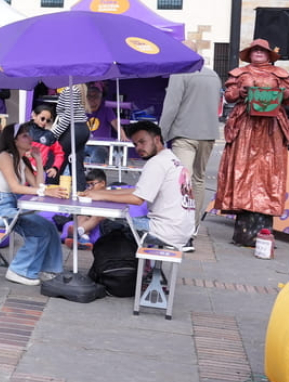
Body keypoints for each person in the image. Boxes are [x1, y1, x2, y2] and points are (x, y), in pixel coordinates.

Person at [218, 38, 289, 246]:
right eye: (255, 50)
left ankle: (263, 229)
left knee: (268, 171)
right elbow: (229, 95)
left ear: (269, 54)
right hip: (245, 126)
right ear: (249, 54)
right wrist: (240, 92)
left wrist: (285, 94)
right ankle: (243, 231)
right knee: (243, 169)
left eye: (262, 50)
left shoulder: (279, 73)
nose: (259, 52)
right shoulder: (240, 72)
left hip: (271, 128)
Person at [79, 121, 195, 249]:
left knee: (108, 222)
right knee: (122, 219)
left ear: (157, 139)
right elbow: (138, 190)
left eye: (142, 142)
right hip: (182, 230)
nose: (138, 148)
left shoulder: (157, 163)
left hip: (164, 231)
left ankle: (122, 260)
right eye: (135, 144)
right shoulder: (171, 159)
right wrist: (100, 193)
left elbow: (137, 199)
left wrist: (101, 196)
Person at [0, 124, 68, 286]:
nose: (30, 138)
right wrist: (45, 191)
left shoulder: (21, 161)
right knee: (39, 231)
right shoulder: (4, 156)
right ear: (14, 140)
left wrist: (39, 160)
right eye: (25, 136)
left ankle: (50, 270)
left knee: (48, 226)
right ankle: (19, 270)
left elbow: (38, 185)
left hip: (9, 205)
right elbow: (16, 187)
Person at [159, 65, 222, 224]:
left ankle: (180, 223)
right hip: (208, 134)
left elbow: (171, 107)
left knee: (182, 179)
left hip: (184, 132)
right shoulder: (213, 75)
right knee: (198, 179)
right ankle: (193, 224)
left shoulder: (179, 73)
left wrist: (161, 135)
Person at [50, 83, 89, 179]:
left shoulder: (70, 90)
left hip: (73, 128)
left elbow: (68, 116)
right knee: (76, 163)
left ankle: (51, 183)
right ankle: (79, 187)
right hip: (82, 128)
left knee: (57, 158)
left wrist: (54, 134)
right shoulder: (79, 89)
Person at [83, 84, 122, 165]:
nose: (92, 99)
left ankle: (92, 170)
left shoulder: (106, 108)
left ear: (100, 98)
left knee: (99, 152)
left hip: (100, 146)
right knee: (72, 153)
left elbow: (115, 123)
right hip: (83, 144)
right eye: (89, 96)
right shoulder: (81, 109)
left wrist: (123, 135)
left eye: (95, 96)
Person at [29, 104, 66, 182]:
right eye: (42, 118)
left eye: (48, 120)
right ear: (34, 115)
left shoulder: (49, 136)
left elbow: (59, 153)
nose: (44, 122)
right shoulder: (21, 131)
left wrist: (55, 167)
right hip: (21, 172)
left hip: (38, 175)